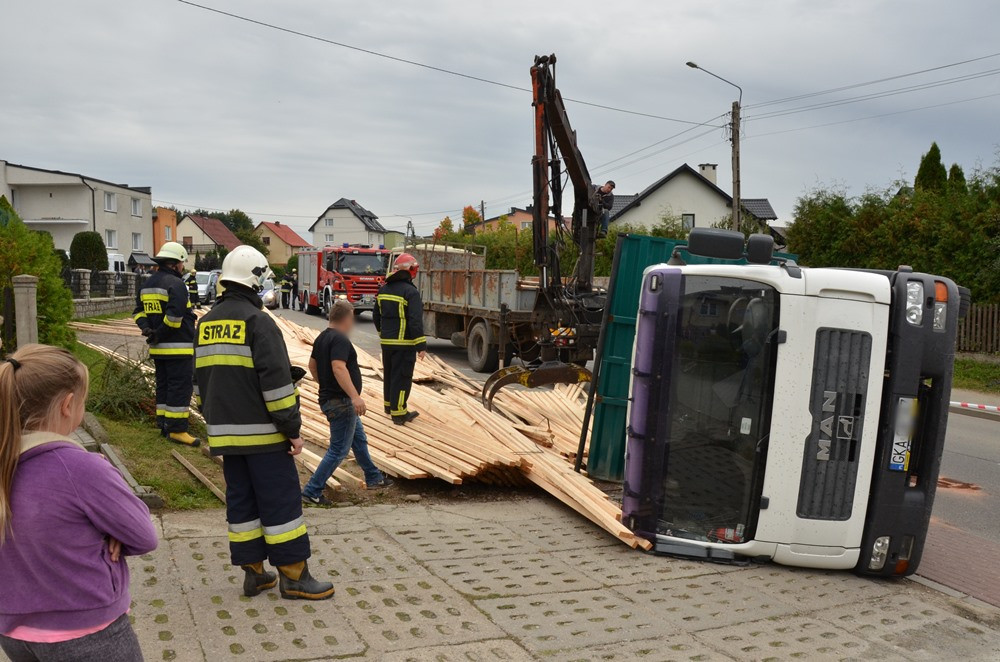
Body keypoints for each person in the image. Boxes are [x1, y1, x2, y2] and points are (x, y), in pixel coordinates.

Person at [194, 246, 334, 601]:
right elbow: (276, 386)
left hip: (225, 436)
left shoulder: (206, 323)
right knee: (280, 502)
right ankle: (294, 576)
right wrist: (292, 429)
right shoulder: (259, 322)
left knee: (242, 503)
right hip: (263, 436)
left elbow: (203, 382)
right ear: (255, 280)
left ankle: (254, 575)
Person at [0, 344, 158, 661]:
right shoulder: (79, 468)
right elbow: (144, 535)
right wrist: (111, 531)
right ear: (68, 405)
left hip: (13, 632)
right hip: (86, 629)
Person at [302, 300, 393, 506]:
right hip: (342, 402)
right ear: (347, 318)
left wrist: (325, 386)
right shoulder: (340, 339)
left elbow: (312, 366)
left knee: (358, 439)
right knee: (338, 450)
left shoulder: (322, 337)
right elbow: (338, 367)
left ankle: (373, 477)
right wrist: (354, 396)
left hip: (333, 400)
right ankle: (312, 490)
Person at [134, 241, 200, 446]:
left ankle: (163, 423)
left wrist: (148, 330)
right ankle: (177, 430)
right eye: (182, 262)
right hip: (177, 347)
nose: (183, 267)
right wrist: (159, 334)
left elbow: (138, 312)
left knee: (163, 385)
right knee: (180, 387)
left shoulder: (147, 284)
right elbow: (174, 317)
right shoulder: (177, 284)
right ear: (174, 264)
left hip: (159, 348)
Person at [373, 253, 426, 425]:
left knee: (389, 375)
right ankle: (399, 413)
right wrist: (421, 345)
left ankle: (389, 406)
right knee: (402, 378)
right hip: (404, 344)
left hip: (387, 343)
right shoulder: (410, 292)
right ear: (411, 270)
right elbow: (415, 320)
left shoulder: (384, 289)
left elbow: (376, 316)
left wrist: (383, 334)